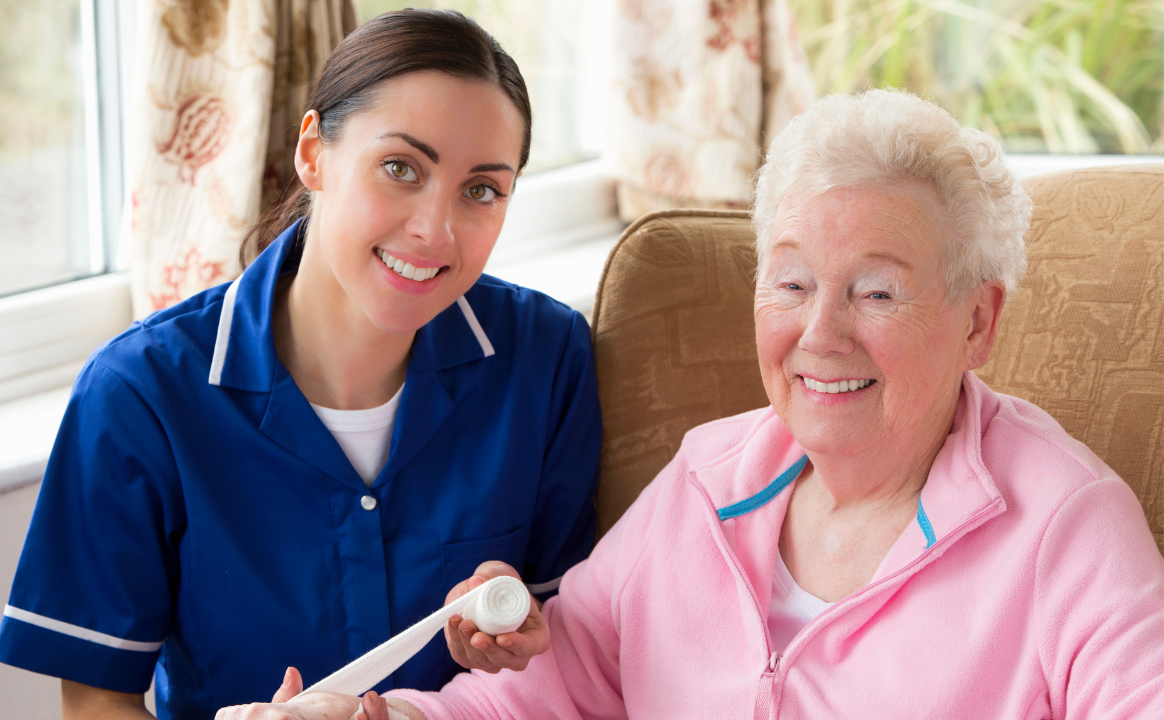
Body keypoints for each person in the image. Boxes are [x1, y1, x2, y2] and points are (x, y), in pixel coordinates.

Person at [238, 89, 1164, 720]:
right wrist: (372, 714)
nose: (822, 335)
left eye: (877, 292)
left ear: (976, 321)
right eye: (792, 283)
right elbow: (535, 698)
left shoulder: (1064, 527)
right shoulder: (710, 481)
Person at [0, 10, 600, 719]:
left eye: (481, 190)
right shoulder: (140, 395)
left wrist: (524, 629)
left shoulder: (547, 357)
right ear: (313, 154)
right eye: (400, 168)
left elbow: (582, 643)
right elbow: (96, 703)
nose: (436, 229)